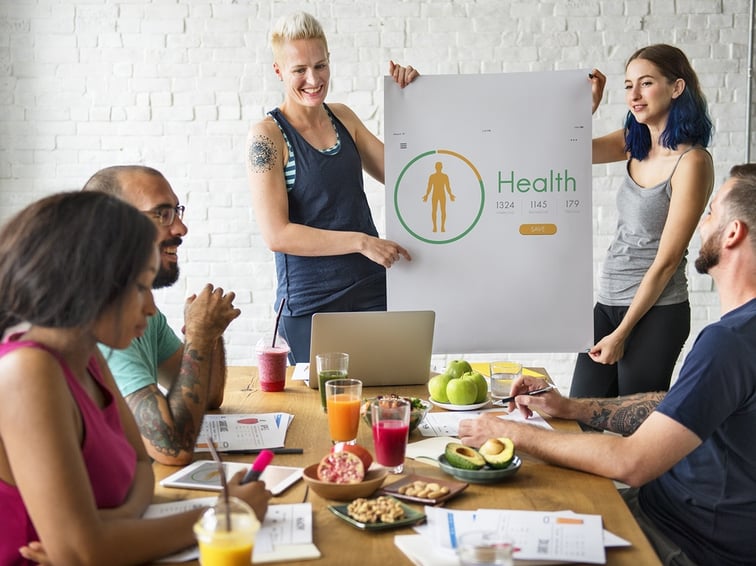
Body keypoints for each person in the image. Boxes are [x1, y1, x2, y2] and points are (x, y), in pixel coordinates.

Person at [458, 164, 756, 566]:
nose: (702, 223)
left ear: (733, 232)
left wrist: (507, 431)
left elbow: (630, 462)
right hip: (667, 513)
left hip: (679, 540)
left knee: (491, 543)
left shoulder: (730, 342)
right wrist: (570, 408)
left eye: (711, 212)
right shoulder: (740, 335)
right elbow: (673, 410)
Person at [0, 191, 270, 566]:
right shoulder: (27, 372)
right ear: (90, 283)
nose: (151, 306)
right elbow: (82, 551)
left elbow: (140, 469)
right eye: (141, 286)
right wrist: (224, 514)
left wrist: (109, 526)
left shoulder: (89, 355)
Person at [245, 11, 417, 363]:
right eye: (299, 70)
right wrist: (361, 241)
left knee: (390, 402)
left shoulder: (344, 118)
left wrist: (412, 102)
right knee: (321, 413)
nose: (313, 79)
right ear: (278, 71)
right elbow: (277, 234)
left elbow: (404, 176)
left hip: (372, 291)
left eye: (320, 66)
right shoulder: (267, 136)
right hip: (312, 306)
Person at [571, 44, 715, 397]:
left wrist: (623, 333)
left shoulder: (692, 162)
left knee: (633, 428)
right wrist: (586, 108)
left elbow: (666, 262)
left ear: (676, 87)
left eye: (646, 83)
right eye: (628, 85)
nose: (634, 95)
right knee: (577, 417)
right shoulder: (633, 143)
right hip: (608, 301)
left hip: (657, 313)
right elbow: (565, 150)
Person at [83, 165, 241, 466]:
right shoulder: (105, 322)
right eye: (162, 214)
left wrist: (208, 334)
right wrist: (198, 335)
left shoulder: (143, 311)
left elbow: (207, 396)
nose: (181, 228)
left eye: (177, 212)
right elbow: (172, 449)